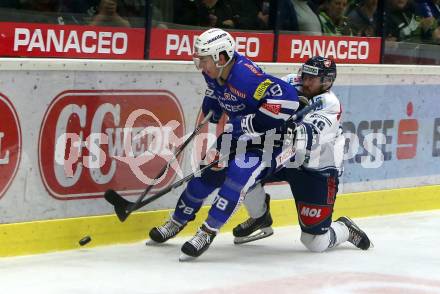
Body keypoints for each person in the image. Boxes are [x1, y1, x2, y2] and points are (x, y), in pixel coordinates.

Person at [148, 28, 300, 260]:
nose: (201, 65)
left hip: (271, 141)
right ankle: (177, 221)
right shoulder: (214, 71)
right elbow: (216, 90)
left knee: (237, 175)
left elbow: (289, 99)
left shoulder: (246, 78)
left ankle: (207, 231)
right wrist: (213, 105)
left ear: (220, 57)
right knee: (204, 177)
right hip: (238, 136)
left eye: (204, 60)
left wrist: (251, 122)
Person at [232, 56, 372, 253]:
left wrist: (282, 124)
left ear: (327, 82)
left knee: (315, 242)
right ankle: (260, 216)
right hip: (285, 157)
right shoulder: (291, 82)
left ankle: (344, 229)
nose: (305, 82)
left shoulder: (329, 104)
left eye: (311, 79)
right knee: (241, 170)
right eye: (304, 76)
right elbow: (263, 97)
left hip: (316, 167)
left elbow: (304, 138)